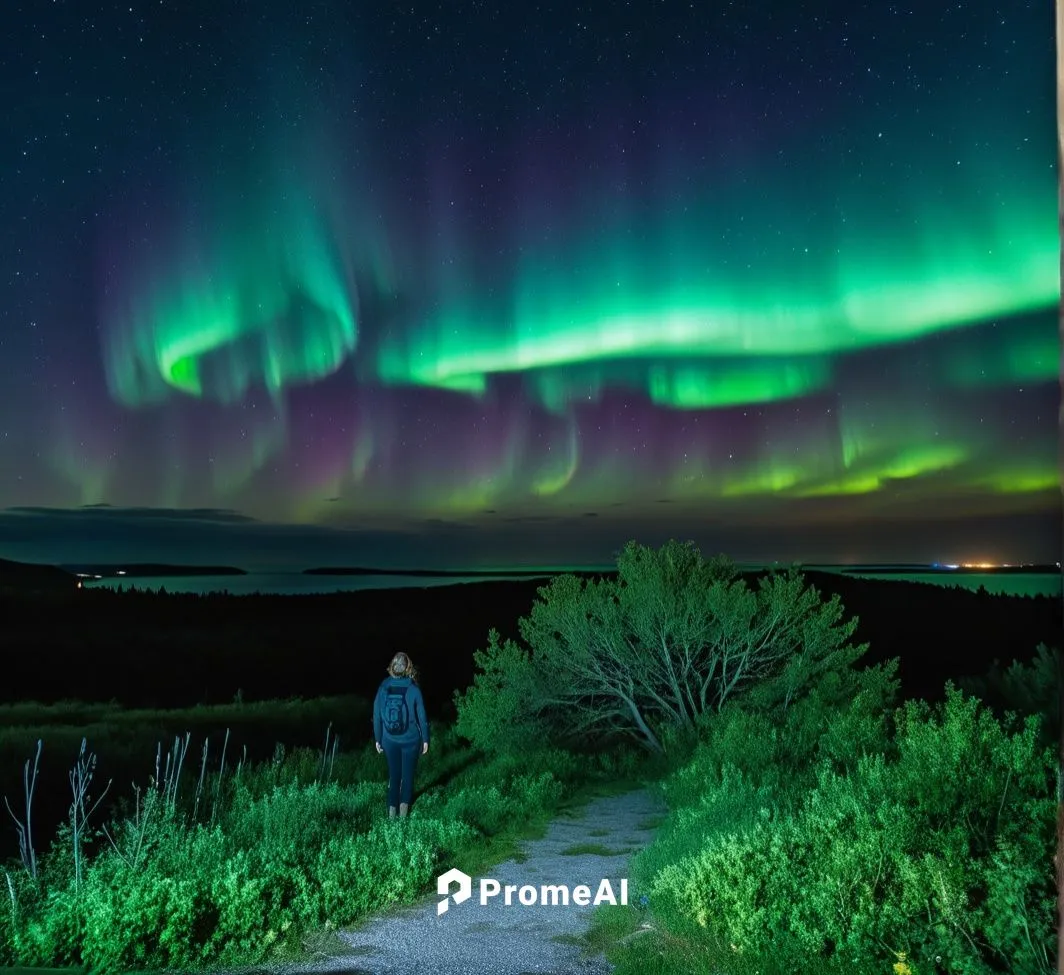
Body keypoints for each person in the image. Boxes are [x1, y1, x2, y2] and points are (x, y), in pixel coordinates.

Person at [373, 652, 430, 818]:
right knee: (407, 777)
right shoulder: (413, 688)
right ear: (408, 667)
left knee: (394, 776)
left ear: (392, 666)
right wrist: (425, 739)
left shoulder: (383, 686)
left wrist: (378, 739)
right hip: (411, 740)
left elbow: (376, 715)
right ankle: (403, 819)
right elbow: (422, 715)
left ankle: (391, 819)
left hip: (389, 740)